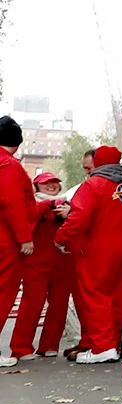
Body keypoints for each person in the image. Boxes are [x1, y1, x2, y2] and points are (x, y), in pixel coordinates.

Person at [56, 144, 122, 364]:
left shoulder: (93, 184)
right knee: (119, 295)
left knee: (96, 293)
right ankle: (113, 344)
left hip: (101, 245)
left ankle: (103, 347)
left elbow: (78, 218)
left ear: (97, 162)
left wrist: (60, 238)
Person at [9, 172, 75, 360]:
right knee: (32, 304)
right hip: (35, 263)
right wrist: (48, 205)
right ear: (36, 187)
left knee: (59, 305)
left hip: (63, 262)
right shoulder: (31, 204)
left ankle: (49, 345)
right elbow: (26, 221)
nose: (51, 185)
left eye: (54, 182)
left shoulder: (68, 204)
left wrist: (68, 211)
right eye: (46, 183)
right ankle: (21, 348)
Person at [0, 116, 37, 369]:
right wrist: (24, 237)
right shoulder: (9, 166)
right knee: (3, 293)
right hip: (6, 240)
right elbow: (12, 202)